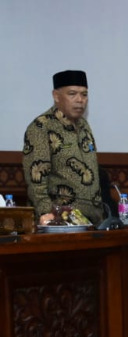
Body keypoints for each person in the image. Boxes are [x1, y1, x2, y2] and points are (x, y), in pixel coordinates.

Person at [22, 70, 102, 224]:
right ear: (56, 96)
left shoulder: (84, 126)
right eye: (72, 94)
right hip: (60, 222)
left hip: (93, 221)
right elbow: (36, 182)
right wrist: (49, 217)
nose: (80, 100)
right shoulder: (41, 127)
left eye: (84, 94)